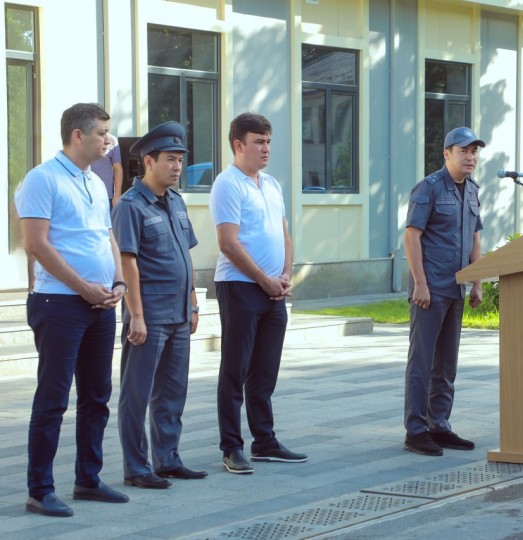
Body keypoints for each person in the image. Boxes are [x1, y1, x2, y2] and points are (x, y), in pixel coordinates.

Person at [14, 102, 130, 517]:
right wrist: (83, 288)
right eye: (102, 133)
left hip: (101, 303)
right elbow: (36, 244)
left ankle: (88, 479)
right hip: (59, 303)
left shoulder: (95, 182)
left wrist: (117, 282)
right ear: (77, 135)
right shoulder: (41, 179)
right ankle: (39, 489)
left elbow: (107, 238)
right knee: (53, 398)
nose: (109, 141)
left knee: (97, 395)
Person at [112, 121, 208, 489]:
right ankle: (136, 468)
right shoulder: (130, 206)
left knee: (172, 392)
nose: (177, 167)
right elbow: (127, 262)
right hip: (148, 315)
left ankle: (167, 460)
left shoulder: (177, 203)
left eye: (181, 160)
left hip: (180, 315)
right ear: (149, 162)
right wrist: (135, 315)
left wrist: (194, 304)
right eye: (170, 160)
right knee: (137, 394)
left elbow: (186, 257)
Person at [210, 112, 306, 474]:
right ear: (239, 145)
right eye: (258, 142)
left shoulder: (271, 184)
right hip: (240, 287)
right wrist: (264, 280)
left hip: (272, 290)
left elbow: (284, 234)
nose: (266, 148)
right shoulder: (227, 184)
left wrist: (284, 274)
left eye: (268, 141)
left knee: (265, 371)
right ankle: (231, 446)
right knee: (235, 369)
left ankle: (264, 440)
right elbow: (228, 243)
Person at [403, 126, 485, 457]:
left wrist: (477, 280)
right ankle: (416, 429)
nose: (470, 157)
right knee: (422, 361)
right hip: (430, 287)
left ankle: (439, 424)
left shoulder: (473, 190)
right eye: (463, 150)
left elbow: (475, 237)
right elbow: (412, 236)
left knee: (446, 362)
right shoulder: (429, 188)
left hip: (456, 288)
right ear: (447, 153)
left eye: (474, 151)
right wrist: (420, 282)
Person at [91, 132, 123, 207]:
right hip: (86, 195)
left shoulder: (112, 140)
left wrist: (117, 194)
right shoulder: (82, 138)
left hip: (107, 196)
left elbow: (117, 168)